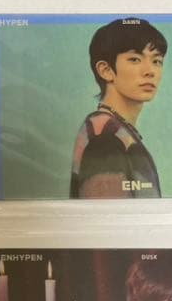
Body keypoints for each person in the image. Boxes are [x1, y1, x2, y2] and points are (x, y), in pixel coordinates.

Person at [70, 17, 166, 199]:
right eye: (135, 59)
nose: (150, 71)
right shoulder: (105, 138)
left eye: (157, 61)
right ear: (105, 70)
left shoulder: (116, 131)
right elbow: (108, 213)